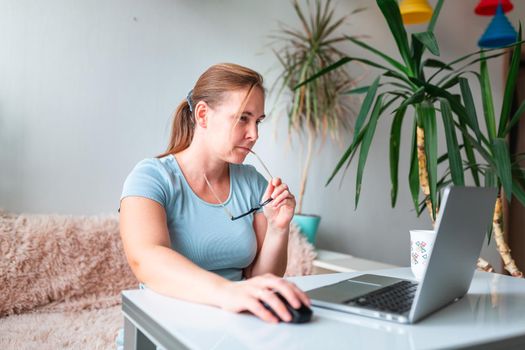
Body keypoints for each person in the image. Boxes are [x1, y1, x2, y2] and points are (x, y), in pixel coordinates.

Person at [119, 63, 311, 325]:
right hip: (165, 326)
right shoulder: (151, 177)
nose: (254, 134)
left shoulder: (253, 182)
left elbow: (261, 280)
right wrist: (226, 292)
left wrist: (278, 229)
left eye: (258, 121)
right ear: (202, 115)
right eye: (243, 118)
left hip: (237, 326)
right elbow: (146, 258)